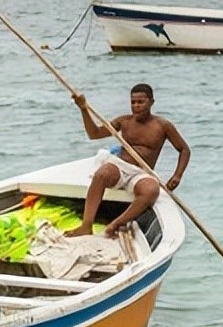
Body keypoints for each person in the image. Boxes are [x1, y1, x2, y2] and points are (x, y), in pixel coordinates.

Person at [66, 84, 191, 238]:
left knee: (152, 190)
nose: (136, 106)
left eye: (141, 102)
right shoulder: (124, 121)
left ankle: (117, 223)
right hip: (120, 166)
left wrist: (177, 175)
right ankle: (86, 225)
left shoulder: (163, 125)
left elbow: (184, 149)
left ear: (151, 102)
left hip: (141, 172)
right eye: (133, 102)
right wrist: (83, 109)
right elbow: (94, 134)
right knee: (101, 174)